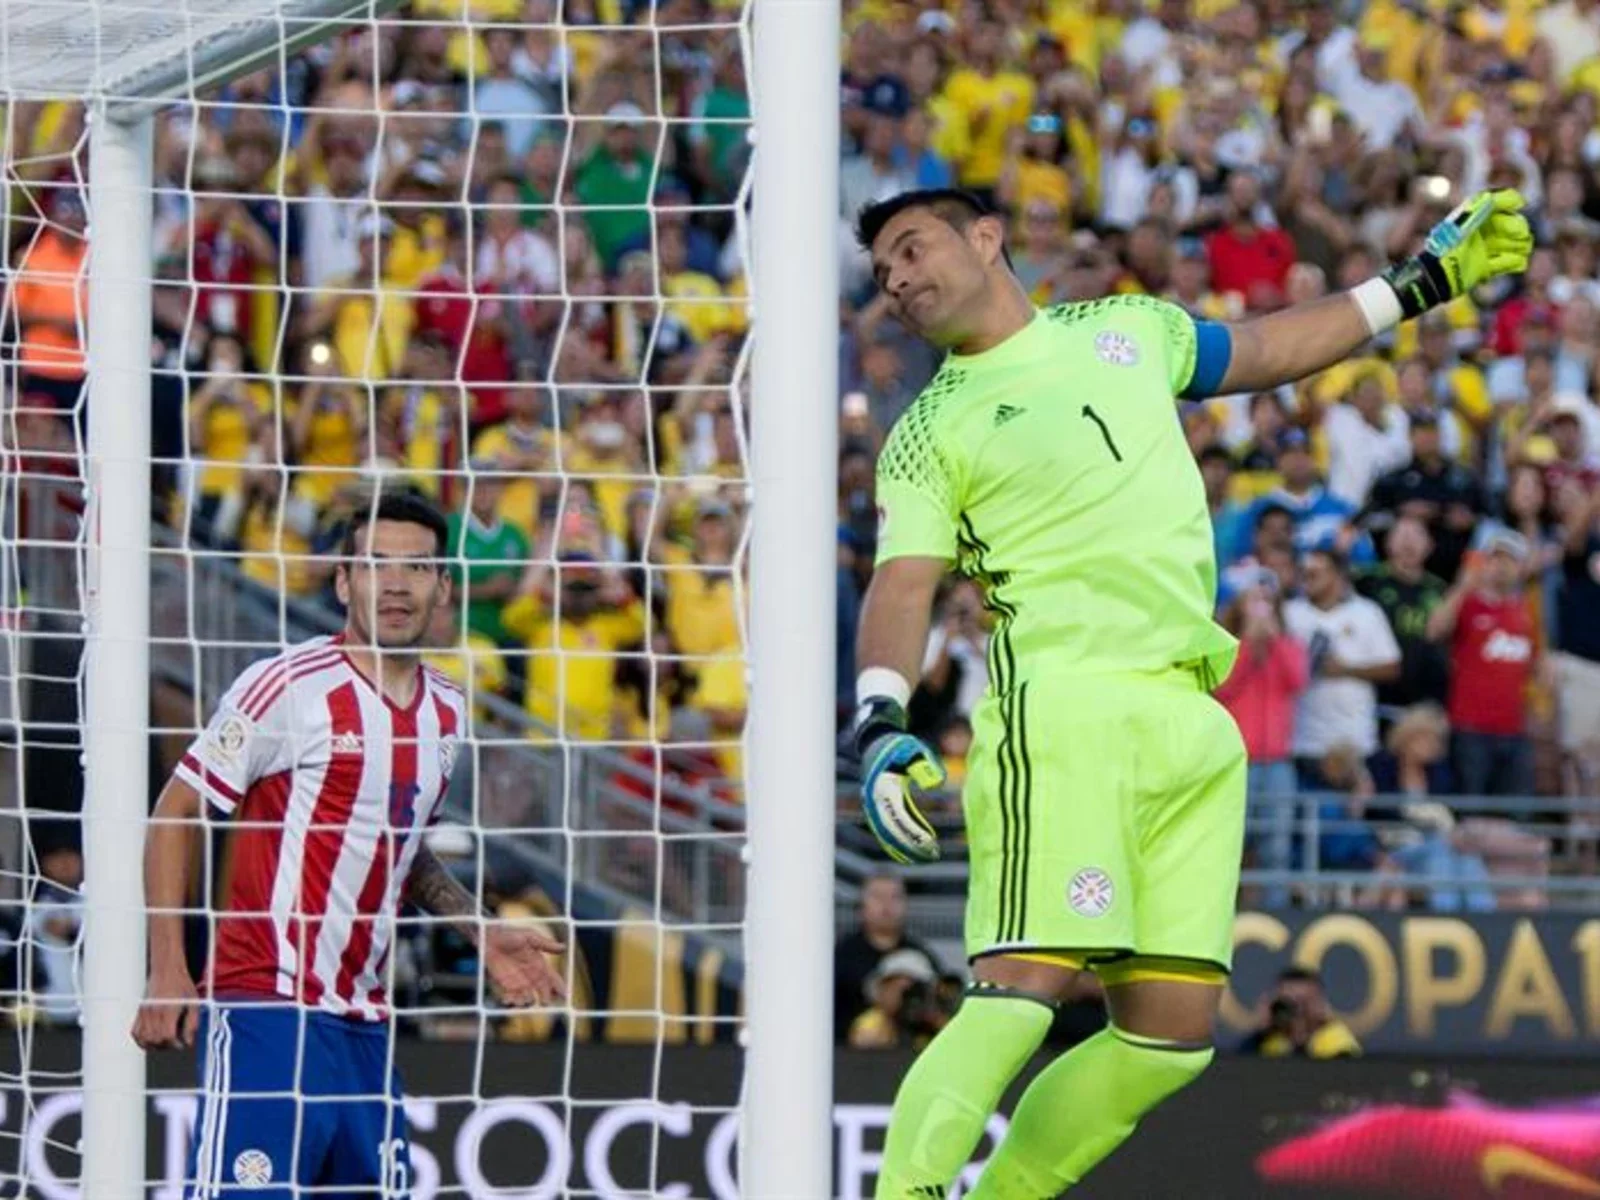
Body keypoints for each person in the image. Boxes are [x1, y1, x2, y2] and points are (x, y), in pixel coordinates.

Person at [848, 185, 1529, 1197]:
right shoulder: (928, 428)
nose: (897, 280)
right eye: (883, 272)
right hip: (1064, 708)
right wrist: (880, 716)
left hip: (1191, 720)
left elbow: (1264, 351)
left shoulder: (1129, 328)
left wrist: (1415, 286)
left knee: (1169, 1040)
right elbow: (903, 580)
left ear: (987, 237)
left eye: (910, 249)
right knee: (1022, 990)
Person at [131, 491, 565, 1196]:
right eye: (373, 564)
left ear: (443, 586)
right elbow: (176, 809)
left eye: (417, 568)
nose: (395, 583)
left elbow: (400, 847)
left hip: (366, 1030)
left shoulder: (447, 710)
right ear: (343, 583)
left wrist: (477, 928)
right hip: (268, 1009)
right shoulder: (288, 688)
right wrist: (169, 969)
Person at [1426, 528, 1540, 798]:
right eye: (1495, 558)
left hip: (1515, 730)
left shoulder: (1528, 611)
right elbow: (1434, 631)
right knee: (1470, 811)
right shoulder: (1468, 604)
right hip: (1471, 728)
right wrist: (1464, 585)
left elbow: (1536, 667)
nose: (1502, 566)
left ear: (1521, 567)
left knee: (1515, 817)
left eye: (1510, 559)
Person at [1285, 549, 1402, 786]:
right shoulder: (1289, 613)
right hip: (1303, 740)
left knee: (1348, 817)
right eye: (1305, 573)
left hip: (1354, 740)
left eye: (1316, 572)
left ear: (1338, 576)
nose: (1308, 578)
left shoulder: (1367, 612)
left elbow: (1392, 667)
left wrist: (1345, 670)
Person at [1238, 967, 1362, 1058]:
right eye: (1289, 1004)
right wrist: (1260, 1033)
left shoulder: (1337, 1040)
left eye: (1305, 1002)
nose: (1298, 1012)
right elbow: (1240, 1071)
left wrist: (1301, 1040)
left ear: (1320, 1004)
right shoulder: (1268, 1041)